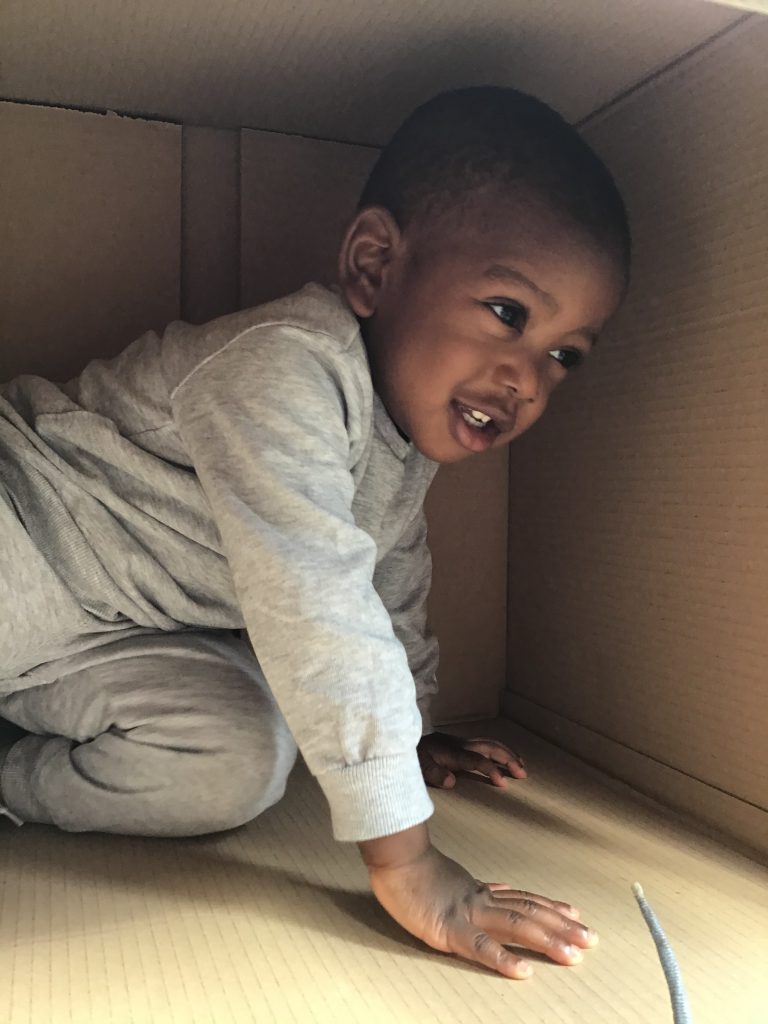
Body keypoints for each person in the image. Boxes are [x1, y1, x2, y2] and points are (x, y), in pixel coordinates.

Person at [0, 86, 629, 980]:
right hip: (25, 531)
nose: (526, 377)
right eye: (508, 313)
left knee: (243, 763)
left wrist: (409, 735)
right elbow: (315, 596)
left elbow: (387, 591)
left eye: (564, 356)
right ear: (374, 266)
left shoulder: (401, 452)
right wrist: (405, 858)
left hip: (100, 645)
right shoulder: (286, 366)